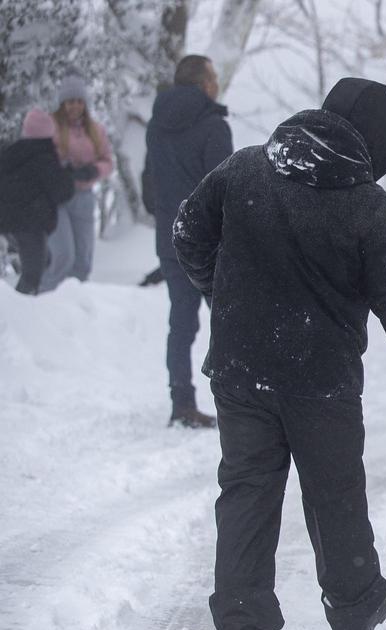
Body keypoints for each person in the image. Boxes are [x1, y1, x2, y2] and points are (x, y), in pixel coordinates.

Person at [173, 77, 386, 630]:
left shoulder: (244, 170)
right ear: (373, 145)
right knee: (334, 494)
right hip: (322, 383)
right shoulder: (370, 210)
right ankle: (354, 608)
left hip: (241, 370)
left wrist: (225, 300)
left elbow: (187, 232)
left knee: (248, 494)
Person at [146, 55, 233, 428]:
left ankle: (181, 402)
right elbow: (224, 188)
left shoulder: (156, 125)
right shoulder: (214, 126)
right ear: (203, 84)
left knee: (180, 322)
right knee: (231, 319)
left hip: (170, 235)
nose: (217, 83)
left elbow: (148, 183)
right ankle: (238, 400)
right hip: (209, 240)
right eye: (214, 76)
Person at [42, 73, 113, 291]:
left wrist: (93, 170)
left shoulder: (95, 130)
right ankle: (43, 302)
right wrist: (62, 169)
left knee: (83, 260)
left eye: (80, 101)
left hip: (84, 197)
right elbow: (41, 159)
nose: (76, 106)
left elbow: (108, 162)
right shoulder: (51, 127)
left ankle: (76, 308)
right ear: (63, 103)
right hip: (58, 199)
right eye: (71, 101)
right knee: (64, 255)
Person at [0, 110, 75, 294]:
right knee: (33, 273)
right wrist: (69, 174)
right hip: (30, 222)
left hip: (9, 221)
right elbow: (61, 192)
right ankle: (21, 310)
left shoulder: (12, 152)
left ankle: (32, 306)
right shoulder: (45, 157)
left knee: (44, 261)